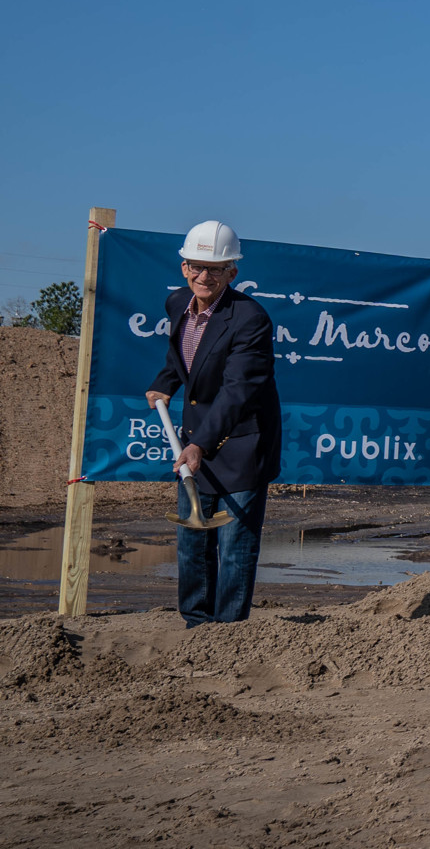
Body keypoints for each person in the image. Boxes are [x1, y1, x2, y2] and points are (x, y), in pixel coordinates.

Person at [145, 220, 282, 628]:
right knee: (192, 543)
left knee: (235, 545)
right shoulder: (176, 304)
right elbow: (182, 359)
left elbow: (237, 390)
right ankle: (196, 624)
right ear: (184, 267)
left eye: (216, 269)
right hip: (195, 441)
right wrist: (164, 383)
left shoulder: (250, 319)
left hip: (241, 444)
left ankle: (227, 633)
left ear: (232, 273)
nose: (204, 276)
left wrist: (200, 445)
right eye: (196, 267)